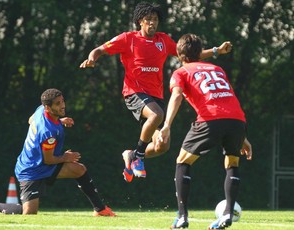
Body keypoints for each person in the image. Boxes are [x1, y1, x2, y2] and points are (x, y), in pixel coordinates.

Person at [80, 1, 233, 183]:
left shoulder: (163, 40)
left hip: (155, 97)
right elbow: (100, 49)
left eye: (155, 20)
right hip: (134, 92)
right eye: (148, 20)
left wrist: (216, 50)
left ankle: (132, 154)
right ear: (140, 22)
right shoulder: (128, 38)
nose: (152, 23)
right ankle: (138, 156)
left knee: (162, 145)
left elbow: (189, 55)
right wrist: (92, 59)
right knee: (157, 114)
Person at [157, 34, 252, 229]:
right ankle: (227, 214)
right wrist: (243, 137)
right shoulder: (217, 69)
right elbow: (227, 98)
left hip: (210, 119)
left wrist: (166, 125)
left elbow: (176, 96)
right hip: (237, 120)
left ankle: (182, 217)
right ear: (200, 53)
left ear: (179, 54)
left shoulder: (181, 72)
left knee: (183, 161)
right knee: (232, 162)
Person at [0, 88, 116, 216]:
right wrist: (66, 157)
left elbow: (31, 120)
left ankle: (100, 209)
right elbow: (49, 160)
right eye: (57, 104)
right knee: (29, 213)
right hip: (31, 170)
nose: (62, 106)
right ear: (48, 107)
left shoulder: (41, 110)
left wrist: (59, 121)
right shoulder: (48, 132)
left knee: (79, 169)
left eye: (62, 101)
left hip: (43, 164)